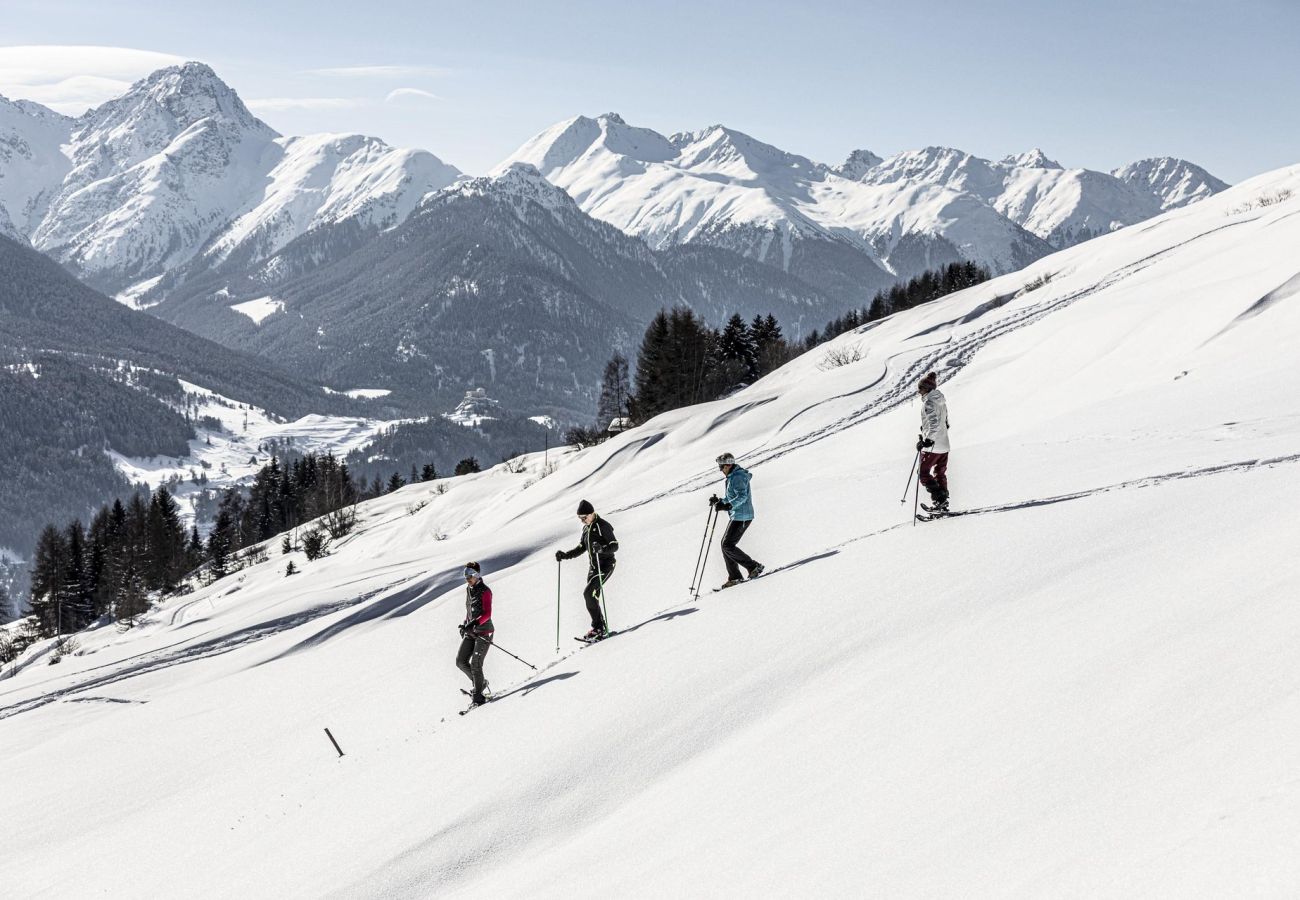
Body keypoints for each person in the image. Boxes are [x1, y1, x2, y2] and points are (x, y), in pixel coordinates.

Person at [555, 500, 618, 640]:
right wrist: (565, 555)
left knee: (588, 594)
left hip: (606, 565)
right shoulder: (586, 529)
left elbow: (615, 546)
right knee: (592, 597)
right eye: (580, 518)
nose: (582, 521)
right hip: (593, 568)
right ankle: (600, 628)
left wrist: (602, 549)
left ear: (592, 513)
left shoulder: (603, 526)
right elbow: (581, 548)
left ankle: (598, 628)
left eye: (584, 517)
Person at [710, 453, 765, 589]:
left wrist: (728, 506)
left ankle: (753, 566)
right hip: (738, 515)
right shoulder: (732, 477)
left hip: (743, 516)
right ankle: (735, 576)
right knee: (725, 545)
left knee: (727, 545)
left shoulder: (737, 477)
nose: (721, 470)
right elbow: (732, 496)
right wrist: (720, 502)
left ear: (728, 465)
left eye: (721, 467)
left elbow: (742, 496)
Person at [456, 561, 494, 707]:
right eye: (465, 576)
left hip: (484, 631)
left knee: (476, 665)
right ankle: (480, 683)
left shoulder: (485, 591)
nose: (468, 579)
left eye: (470, 575)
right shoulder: (469, 589)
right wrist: (465, 624)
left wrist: (474, 624)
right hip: (471, 631)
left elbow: (487, 613)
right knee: (460, 661)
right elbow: (469, 611)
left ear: (477, 575)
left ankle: (478, 697)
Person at [916, 371, 951, 512]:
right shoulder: (941, 401)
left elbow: (934, 423)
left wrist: (927, 440)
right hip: (944, 444)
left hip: (933, 446)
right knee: (940, 473)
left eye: (921, 388)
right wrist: (925, 429)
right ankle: (942, 502)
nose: (919, 391)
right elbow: (945, 422)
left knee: (923, 473)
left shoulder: (929, 403)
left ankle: (939, 498)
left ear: (928, 388)